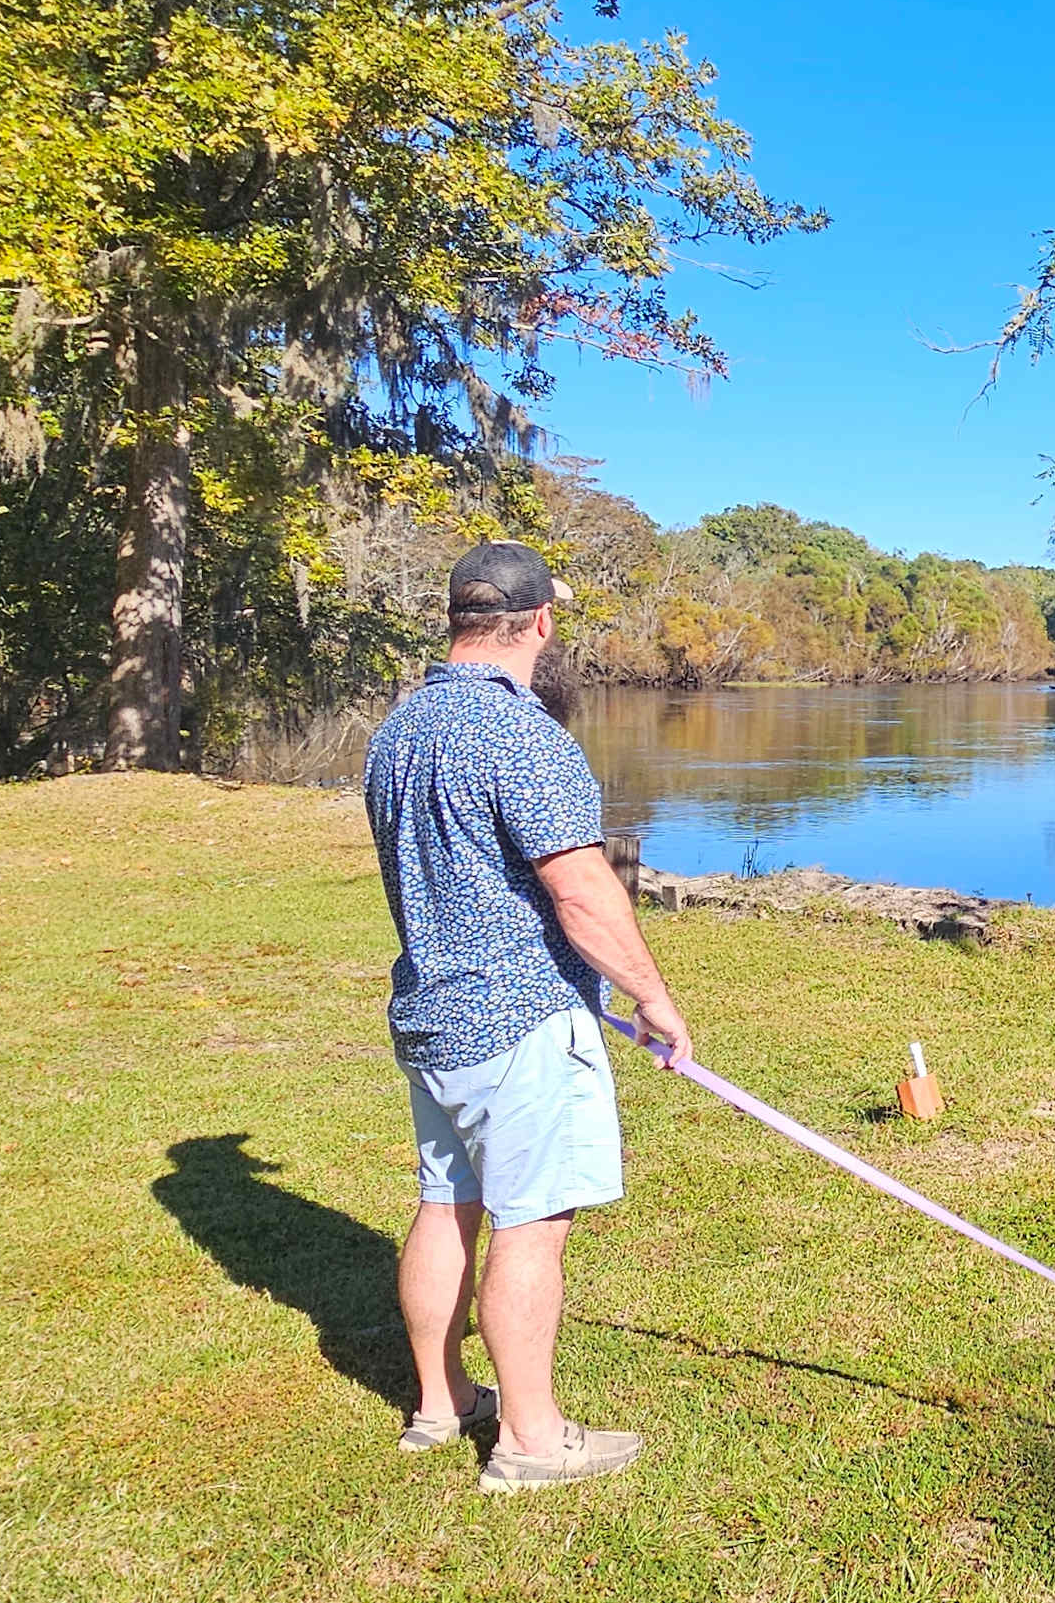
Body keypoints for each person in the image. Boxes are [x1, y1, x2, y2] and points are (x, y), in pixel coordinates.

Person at [362, 539, 695, 1495]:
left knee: (444, 1202)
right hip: (519, 1025)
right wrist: (653, 996)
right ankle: (532, 1439)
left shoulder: (400, 728)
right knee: (532, 1222)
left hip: (434, 1020)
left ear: (462, 618)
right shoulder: (523, 733)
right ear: (540, 621)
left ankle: (439, 1402)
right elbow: (582, 889)